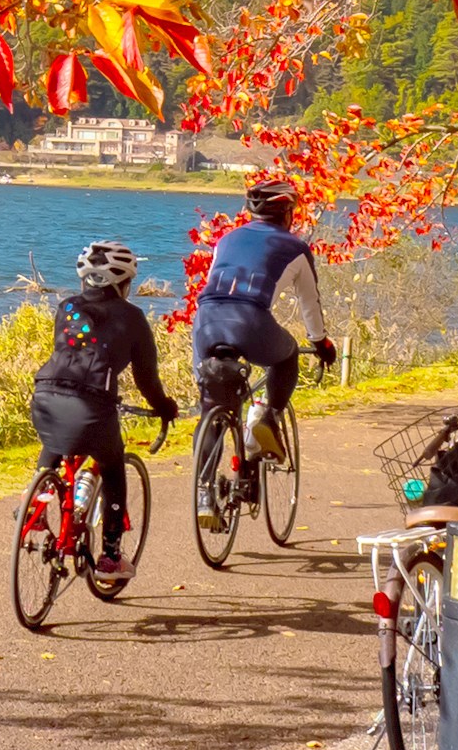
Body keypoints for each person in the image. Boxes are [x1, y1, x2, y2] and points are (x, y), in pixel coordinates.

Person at [30, 239, 176, 572]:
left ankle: (34, 507)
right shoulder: (134, 318)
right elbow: (146, 379)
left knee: (54, 442)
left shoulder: (67, 307)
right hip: (93, 406)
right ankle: (110, 554)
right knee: (112, 467)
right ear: (123, 283)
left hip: (45, 396)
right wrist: (165, 407)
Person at [192, 175, 340, 431]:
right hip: (250, 321)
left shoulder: (226, 240)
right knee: (288, 354)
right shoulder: (295, 247)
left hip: (206, 319)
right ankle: (270, 420)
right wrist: (320, 342)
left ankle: (205, 466)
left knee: (211, 410)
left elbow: (212, 283)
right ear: (287, 213)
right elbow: (309, 302)